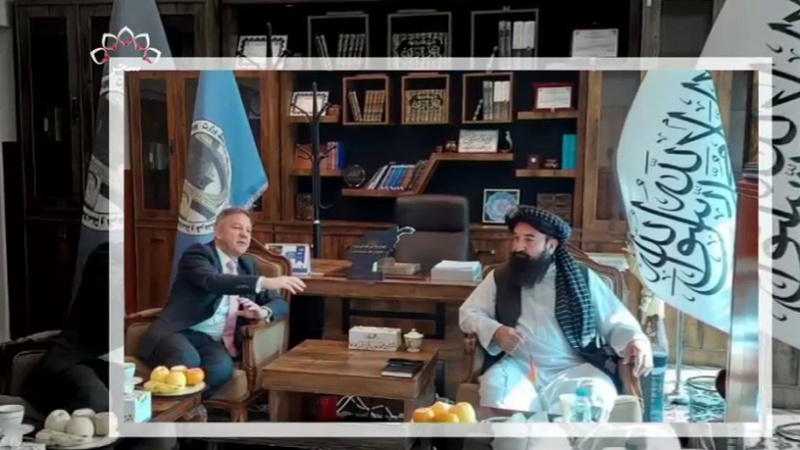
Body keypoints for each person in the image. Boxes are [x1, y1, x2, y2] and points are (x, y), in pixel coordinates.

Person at [459, 205, 653, 421]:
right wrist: (496, 331)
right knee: (496, 389)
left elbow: (615, 321)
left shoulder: (582, 278)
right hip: (518, 366)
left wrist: (635, 340)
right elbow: (469, 313)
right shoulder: (500, 277)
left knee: (595, 393)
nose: (519, 246)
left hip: (574, 367)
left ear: (551, 245)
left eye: (529, 239)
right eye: (516, 238)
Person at [139, 207, 306, 397]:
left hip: (211, 341)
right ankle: (183, 410)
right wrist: (264, 282)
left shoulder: (247, 265)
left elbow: (279, 303)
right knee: (187, 360)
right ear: (218, 232)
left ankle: (190, 406)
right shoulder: (198, 254)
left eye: (248, 230)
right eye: (237, 228)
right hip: (179, 331)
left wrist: (263, 312)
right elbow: (213, 281)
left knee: (220, 368)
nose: (244, 234)